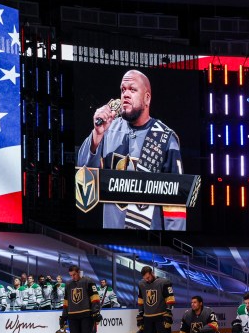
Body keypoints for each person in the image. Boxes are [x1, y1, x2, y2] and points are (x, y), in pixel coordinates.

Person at [76, 69, 185, 231]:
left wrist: (174, 239)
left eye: (132, 89)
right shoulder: (107, 130)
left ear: (147, 98)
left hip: (149, 239)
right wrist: (97, 135)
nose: (125, 94)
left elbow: (176, 202)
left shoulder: (165, 138)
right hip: (111, 238)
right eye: (123, 90)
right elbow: (83, 179)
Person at [58, 265, 102, 333]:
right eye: (71, 275)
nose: (73, 277)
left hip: (86, 315)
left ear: (79, 272)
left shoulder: (88, 281)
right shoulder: (68, 284)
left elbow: (95, 298)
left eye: (74, 274)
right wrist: (64, 316)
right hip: (73, 316)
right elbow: (66, 302)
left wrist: (96, 312)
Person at [136, 266, 177, 333]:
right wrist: (140, 315)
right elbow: (140, 301)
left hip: (161, 316)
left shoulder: (164, 282)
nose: (147, 280)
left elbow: (170, 299)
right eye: (145, 278)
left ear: (152, 273)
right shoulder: (141, 284)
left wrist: (168, 313)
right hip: (148, 318)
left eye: (148, 277)